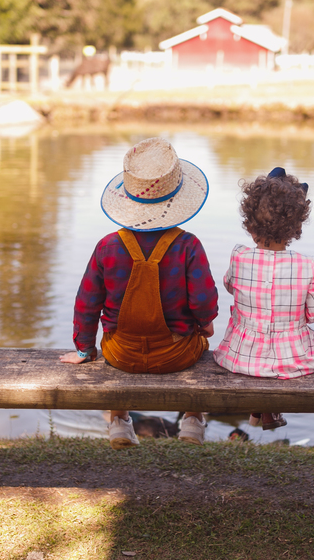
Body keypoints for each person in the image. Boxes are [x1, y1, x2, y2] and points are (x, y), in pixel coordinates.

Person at [60, 137, 218, 448]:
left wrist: (84, 350)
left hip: (121, 354)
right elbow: (203, 300)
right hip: (176, 355)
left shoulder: (107, 245)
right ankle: (192, 420)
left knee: (112, 335)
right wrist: (205, 325)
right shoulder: (188, 245)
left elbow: (86, 303)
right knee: (201, 341)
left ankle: (119, 421)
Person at [212, 167, 314, 430]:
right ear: (296, 228)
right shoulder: (306, 265)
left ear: (250, 224)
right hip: (292, 356)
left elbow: (230, 286)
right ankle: (267, 412)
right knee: (299, 350)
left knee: (264, 359)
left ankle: (262, 412)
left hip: (242, 354)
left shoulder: (239, 257)